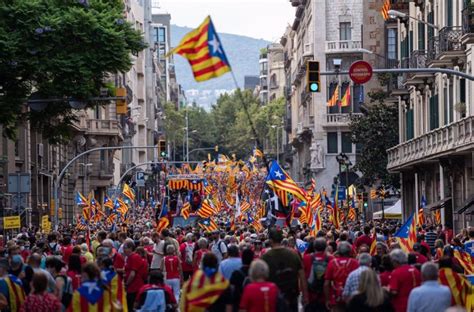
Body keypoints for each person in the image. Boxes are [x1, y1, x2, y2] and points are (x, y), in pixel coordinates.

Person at [262, 227, 308, 312]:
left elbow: (261, 279)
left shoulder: (265, 257)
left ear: (270, 241)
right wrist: (305, 296)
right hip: (292, 296)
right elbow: (302, 275)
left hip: (273, 297)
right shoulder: (293, 254)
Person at [324, 242, 359, 311]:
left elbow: (326, 283)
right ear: (349, 251)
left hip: (336, 297)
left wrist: (327, 299)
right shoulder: (355, 262)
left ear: (338, 251)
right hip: (351, 297)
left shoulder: (332, 263)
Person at [303, 237, 333, 312]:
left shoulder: (306, 258)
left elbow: (303, 279)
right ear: (325, 247)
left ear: (314, 246)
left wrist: (305, 295)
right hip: (325, 297)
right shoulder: (331, 259)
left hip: (310, 297)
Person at [123, 240, 145, 309]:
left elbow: (132, 274)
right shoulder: (129, 257)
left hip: (135, 286)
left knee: (132, 306)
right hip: (131, 286)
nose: (123, 250)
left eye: (125, 248)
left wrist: (126, 284)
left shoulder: (134, 257)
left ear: (130, 248)